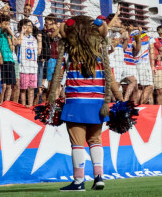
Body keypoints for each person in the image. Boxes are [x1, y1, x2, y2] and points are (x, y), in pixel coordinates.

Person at [47, 15, 112, 191]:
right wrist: (120, 99)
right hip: (98, 103)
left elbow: (57, 77)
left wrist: (51, 97)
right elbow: (111, 79)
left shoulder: (69, 54)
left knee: (77, 142)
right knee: (95, 140)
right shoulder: (100, 54)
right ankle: (99, 177)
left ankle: (78, 181)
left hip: (75, 102)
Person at [15, 19, 40, 107]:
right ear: (24, 26)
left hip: (33, 67)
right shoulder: (19, 35)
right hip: (23, 67)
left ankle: (30, 105)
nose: (31, 27)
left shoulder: (34, 38)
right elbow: (18, 42)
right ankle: (23, 105)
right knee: (23, 89)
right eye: (29, 25)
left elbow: (38, 52)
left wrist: (39, 41)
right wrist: (22, 32)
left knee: (31, 88)